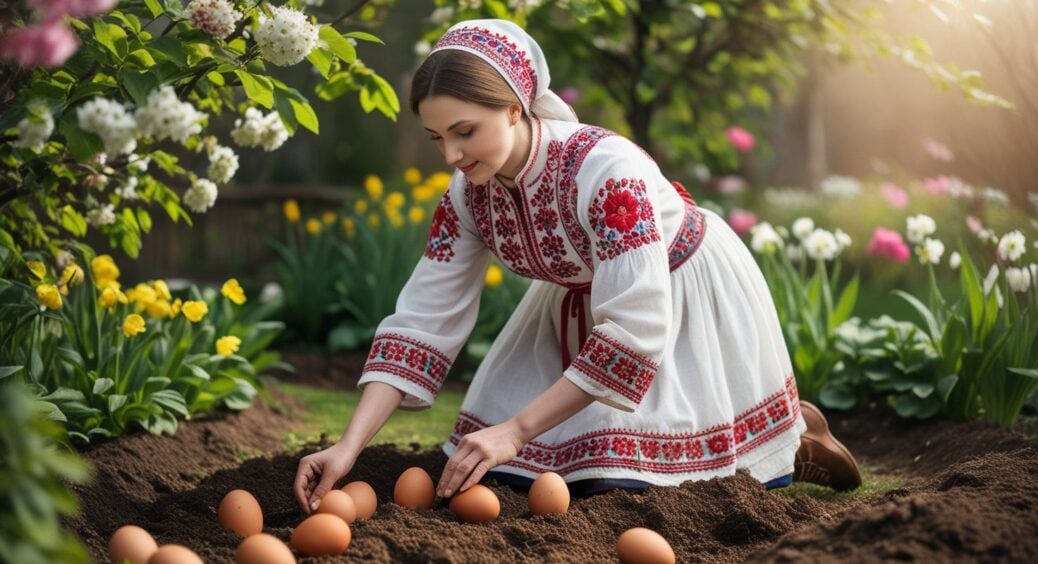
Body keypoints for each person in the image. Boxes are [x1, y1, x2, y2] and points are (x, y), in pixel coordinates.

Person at [293, 19, 860, 514]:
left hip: (673, 287)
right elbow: (423, 318)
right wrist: (348, 448)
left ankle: (795, 433)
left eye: (465, 132)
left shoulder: (606, 170)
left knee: (629, 490)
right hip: (576, 300)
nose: (451, 156)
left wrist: (515, 430)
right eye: (437, 138)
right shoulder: (467, 194)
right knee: (512, 476)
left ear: (515, 107)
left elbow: (636, 326)